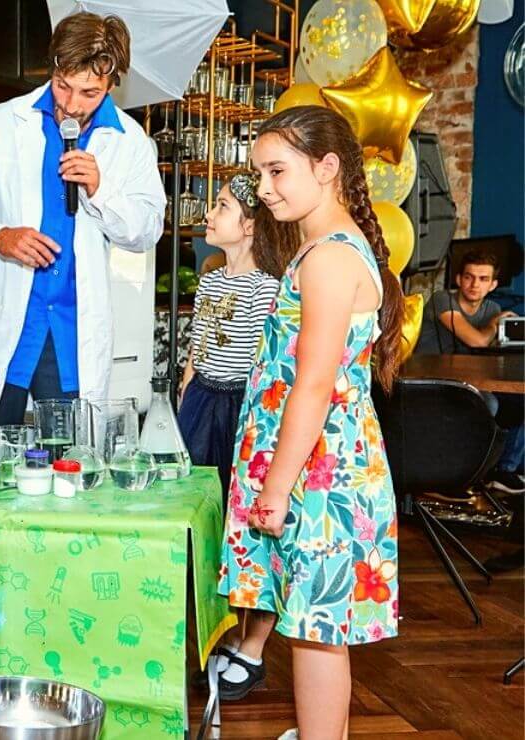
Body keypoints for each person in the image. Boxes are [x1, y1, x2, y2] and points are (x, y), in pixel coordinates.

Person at [217, 106, 403, 739]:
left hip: (319, 473)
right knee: (314, 627)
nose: (264, 188)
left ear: (327, 169)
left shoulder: (328, 259)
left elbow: (314, 383)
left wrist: (275, 486)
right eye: (258, 173)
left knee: (317, 630)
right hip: (314, 464)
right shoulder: (319, 251)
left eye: (276, 171)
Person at [0, 12, 165, 430]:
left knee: (69, 458)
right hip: (2, 327)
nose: (71, 104)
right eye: (63, 85)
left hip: (70, 337)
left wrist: (100, 190)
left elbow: (147, 229)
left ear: (112, 84)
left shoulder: (131, 143)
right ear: (52, 67)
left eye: (90, 92)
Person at [178, 173, 288, 501]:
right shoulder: (209, 281)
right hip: (200, 397)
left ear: (250, 226)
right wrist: (187, 391)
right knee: (193, 488)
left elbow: (261, 361)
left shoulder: (264, 287)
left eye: (222, 206)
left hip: (238, 403)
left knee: (230, 489)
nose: (209, 214)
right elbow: (197, 347)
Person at [414, 250, 523, 492]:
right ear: (458, 279)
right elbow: (477, 341)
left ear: (493, 285)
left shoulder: (492, 307)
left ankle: (503, 471)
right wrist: (495, 324)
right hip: (430, 381)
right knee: (488, 403)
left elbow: (493, 352)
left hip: (470, 381)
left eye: (483, 279)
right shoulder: (442, 300)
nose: (475, 284)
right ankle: (462, 473)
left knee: (519, 401)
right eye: (469, 277)